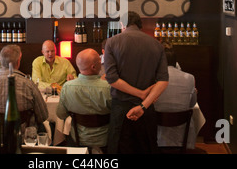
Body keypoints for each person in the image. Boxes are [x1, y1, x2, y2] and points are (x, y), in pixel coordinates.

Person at [104, 11, 169, 154]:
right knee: (147, 148)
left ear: (122, 24)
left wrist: (140, 94)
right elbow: (163, 80)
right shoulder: (156, 45)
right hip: (146, 109)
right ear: (140, 25)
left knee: (119, 149)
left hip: (121, 109)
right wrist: (143, 104)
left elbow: (112, 79)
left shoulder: (112, 42)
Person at [0, 44, 48, 127]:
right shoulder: (28, 84)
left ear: (0, 60)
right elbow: (43, 116)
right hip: (23, 135)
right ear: (18, 61)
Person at [56, 48, 111, 150]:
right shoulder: (109, 87)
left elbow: (61, 114)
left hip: (77, 138)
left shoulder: (67, 87)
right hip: (105, 139)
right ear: (94, 67)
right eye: (100, 61)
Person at [154, 42, 198, 149]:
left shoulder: (153, 79)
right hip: (182, 134)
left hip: (158, 134)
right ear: (175, 61)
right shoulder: (190, 78)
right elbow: (192, 104)